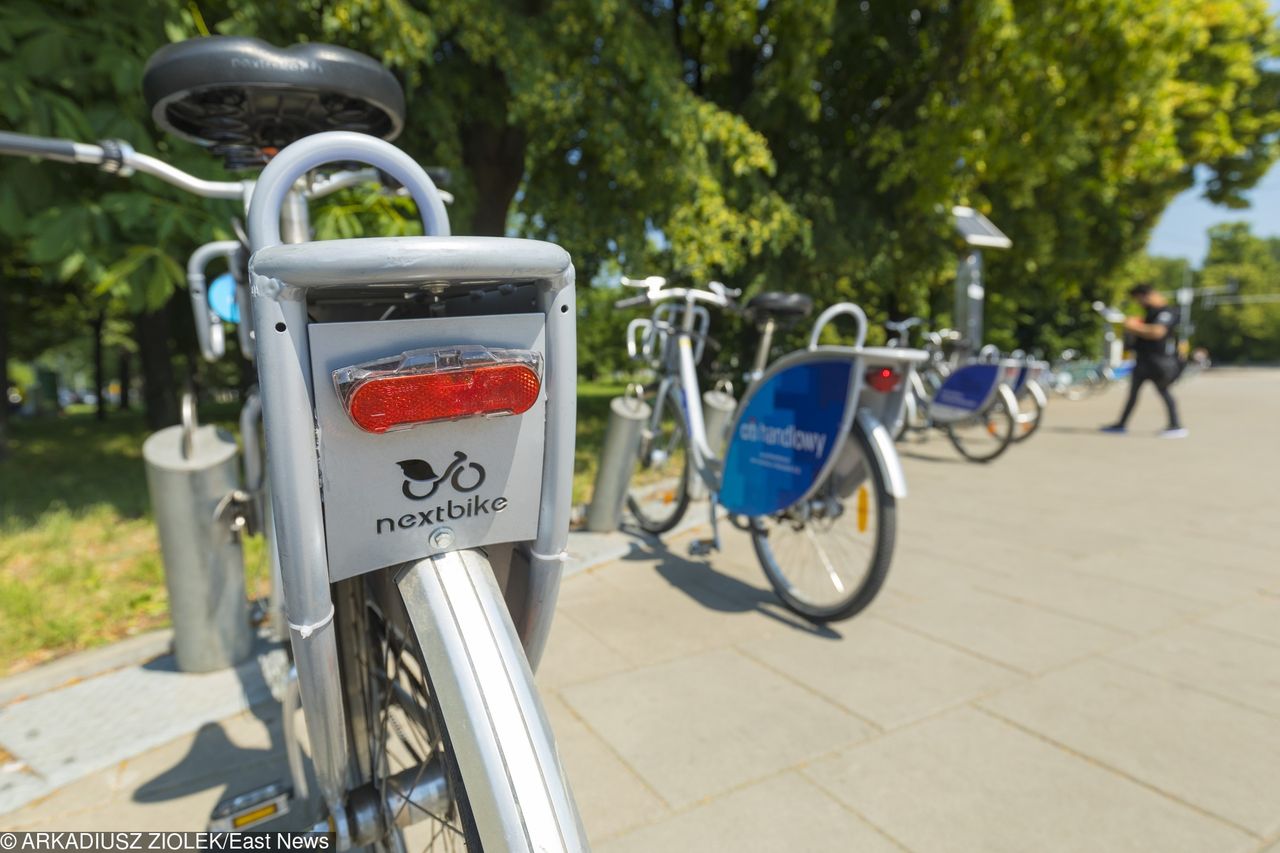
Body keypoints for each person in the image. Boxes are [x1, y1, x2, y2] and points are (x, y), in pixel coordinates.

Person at [1101, 283, 1188, 438]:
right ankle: (1121, 424)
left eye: (1139, 299)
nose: (1139, 303)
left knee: (1163, 391)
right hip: (1144, 360)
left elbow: (1157, 332)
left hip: (1158, 362)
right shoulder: (1152, 312)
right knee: (1134, 393)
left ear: (1146, 295)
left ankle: (1176, 425)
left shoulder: (1166, 312)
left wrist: (1131, 326)